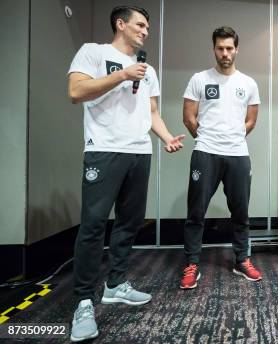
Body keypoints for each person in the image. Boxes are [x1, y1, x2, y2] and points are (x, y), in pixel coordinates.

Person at [67, 5, 184, 342]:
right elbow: (76, 92)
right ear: (120, 24)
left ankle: (115, 283)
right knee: (92, 225)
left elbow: (151, 111)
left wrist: (165, 137)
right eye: (140, 25)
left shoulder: (147, 70)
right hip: (103, 149)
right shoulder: (93, 53)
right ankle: (84, 301)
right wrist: (122, 75)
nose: (146, 31)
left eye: (147, 27)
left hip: (139, 152)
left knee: (130, 223)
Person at [180, 26, 261, 289]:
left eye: (229, 48)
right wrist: (206, 138)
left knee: (241, 212)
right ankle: (192, 263)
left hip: (238, 155)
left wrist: (234, 136)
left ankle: (242, 260)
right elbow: (189, 117)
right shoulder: (199, 79)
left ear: (236, 49)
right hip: (205, 153)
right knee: (196, 212)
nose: (225, 53)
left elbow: (251, 121)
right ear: (214, 49)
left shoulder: (248, 83)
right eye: (220, 48)